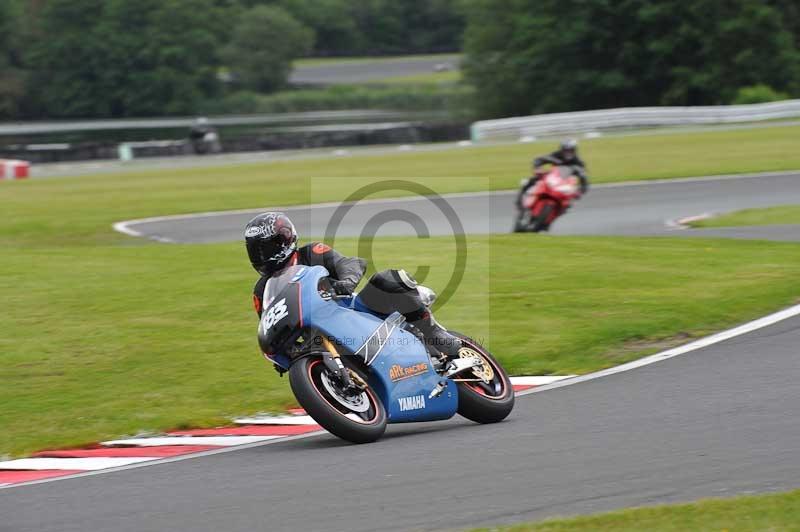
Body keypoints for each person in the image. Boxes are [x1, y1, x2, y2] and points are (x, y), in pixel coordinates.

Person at [244, 212, 462, 360]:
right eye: (256, 250)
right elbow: (271, 325)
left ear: (285, 240)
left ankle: (435, 334)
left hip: (353, 310)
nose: (263, 256)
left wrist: (346, 283)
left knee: (388, 279)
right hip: (318, 337)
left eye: (268, 247)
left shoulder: (311, 253)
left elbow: (350, 263)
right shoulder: (261, 290)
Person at [517, 139, 589, 207]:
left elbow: (584, 179)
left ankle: (560, 209)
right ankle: (520, 197)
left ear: (574, 151)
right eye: (566, 150)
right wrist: (537, 168)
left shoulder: (579, 162)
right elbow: (540, 159)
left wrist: (580, 192)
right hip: (553, 176)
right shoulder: (556, 155)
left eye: (570, 151)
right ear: (562, 150)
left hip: (567, 182)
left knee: (570, 203)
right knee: (533, 179)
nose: (568, 153)